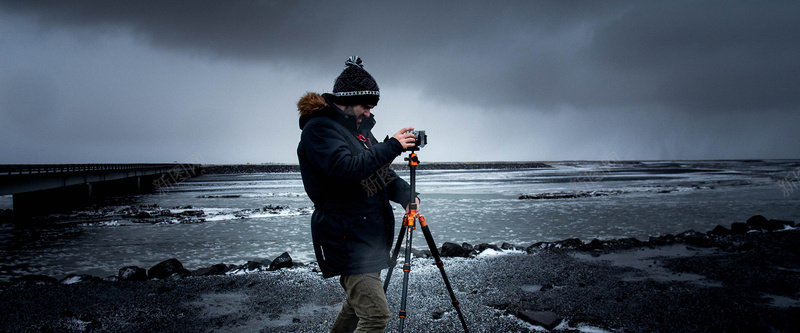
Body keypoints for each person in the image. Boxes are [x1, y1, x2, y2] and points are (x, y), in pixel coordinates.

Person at [296, 56, 419, 332]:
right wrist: (392, 146)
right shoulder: (320, 130)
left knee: (355, 306)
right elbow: (346, 170)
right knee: (376, 315)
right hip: (347, 237)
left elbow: (381, 174)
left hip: (367, 238)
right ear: (348, 101)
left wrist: (406, 195)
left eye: (372, 107)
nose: (369, 113)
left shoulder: (359, 132)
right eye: (366, 106)